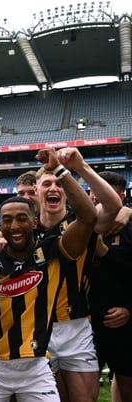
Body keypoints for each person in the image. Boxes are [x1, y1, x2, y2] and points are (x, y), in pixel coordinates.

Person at [0, 147, 98, 401]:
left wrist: (60, 170)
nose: (14, 226)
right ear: (0, 226)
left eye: (22, 218)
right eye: (7, 220)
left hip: (36, 369)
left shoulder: (53, 251)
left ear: (34, 222)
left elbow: (88, 217)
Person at [39, 148, 121, 402]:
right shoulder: (20, 229)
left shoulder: (84, 223)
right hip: (37, 329)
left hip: (76, 327)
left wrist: (80, 168)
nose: (54, 187)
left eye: (58, 183)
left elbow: (113, 206)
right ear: (35, 193)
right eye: (46, 183)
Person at [89, 171, 132, 402]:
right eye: (97, 197)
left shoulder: (128, 227)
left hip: (123, 326)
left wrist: (130, 310)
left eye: (108, 198)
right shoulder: (77, 225)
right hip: (85, 326)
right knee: (82, 392)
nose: (101, 202)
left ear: (121, 198)